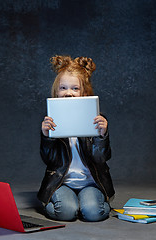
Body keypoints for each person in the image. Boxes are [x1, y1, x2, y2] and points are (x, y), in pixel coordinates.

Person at [37, 55, 115, 222]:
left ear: (84, 91)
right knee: (66, 212)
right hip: (62, 182)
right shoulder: (52, 121)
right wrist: (46, 137)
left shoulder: (96, 119)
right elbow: (49, 160)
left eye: (75, 88)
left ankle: (91, 203)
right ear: (56, 92)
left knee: (93, 213)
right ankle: (50, 202)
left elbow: (100, 158)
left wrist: (102, 136)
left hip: (90, 183)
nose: (68, 93)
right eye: (63, 88)